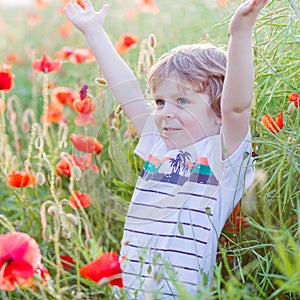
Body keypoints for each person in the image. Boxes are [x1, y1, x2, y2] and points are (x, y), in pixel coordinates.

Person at [64, 0, 269, 298]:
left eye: (182, 101)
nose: (164, 112)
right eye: (160, 102)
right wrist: (93, 31)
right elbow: (128, 91)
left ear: (218, 111)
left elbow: (238, 107)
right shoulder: (158, 145)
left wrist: (240, 32)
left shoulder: (222, 156)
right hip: (131, 290)